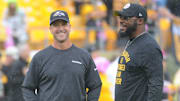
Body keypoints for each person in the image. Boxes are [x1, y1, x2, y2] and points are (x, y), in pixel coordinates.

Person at [21, 10, 102, 101]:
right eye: (56, 25)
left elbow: (95, 85)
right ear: (50, 29)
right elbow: (27, 88)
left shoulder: (84, 56)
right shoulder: (39, 58)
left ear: (69, 27)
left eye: (63, 24)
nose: (60, 29)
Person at [114, 3, 163, 101]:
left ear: (140, 21)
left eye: (126, 18)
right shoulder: (133, 42)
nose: (121, 21)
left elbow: (156, 86)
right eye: (121, 17)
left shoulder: (149, 46)